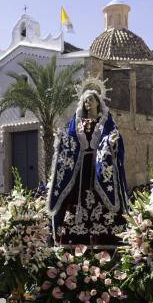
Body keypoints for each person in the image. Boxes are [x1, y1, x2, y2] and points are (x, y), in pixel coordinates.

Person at [47, 86, 130, 246]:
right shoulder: (76, 121)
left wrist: (111, 141)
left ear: (98, 102)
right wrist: (61, 139)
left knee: (104, 201)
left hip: (99, 167)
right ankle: (72, 240)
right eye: (85, 101)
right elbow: (70, 141)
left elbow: (114, 136)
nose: (87, 103)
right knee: (73, 199)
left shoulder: (106, 120)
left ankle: (107, 239)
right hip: (80, 169)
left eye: (90, 100)